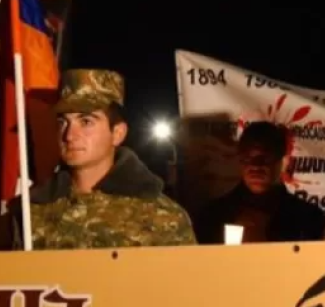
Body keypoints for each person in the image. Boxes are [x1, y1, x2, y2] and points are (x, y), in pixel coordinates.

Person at [17, 69, 195, 249]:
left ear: (117, 133)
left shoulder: (163, 217)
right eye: (62, 122)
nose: (69, 135)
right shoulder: (30, 213)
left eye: (86, 122)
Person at [192, 121, 325, 244]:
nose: (256, 166)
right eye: (247, 158)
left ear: (284, 161)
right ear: (239, 160)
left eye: (265, 158)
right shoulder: (212, 217)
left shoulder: (309, 218)